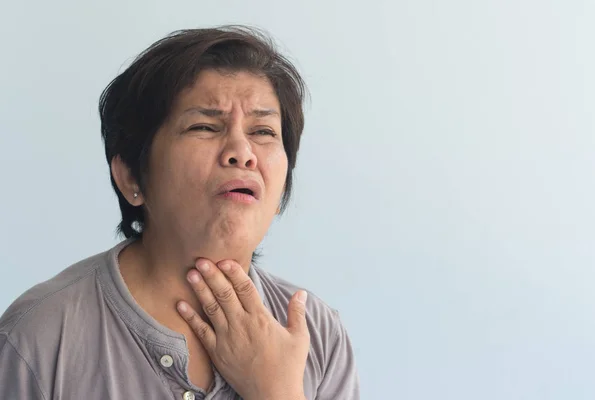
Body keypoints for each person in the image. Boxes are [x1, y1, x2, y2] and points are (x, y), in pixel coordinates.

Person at [0, 26, 359, 399]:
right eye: (204, 126)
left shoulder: (316, 334)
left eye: (264, 132)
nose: (242, 151)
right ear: (130, 177)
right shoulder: (38, 339)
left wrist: (276, 390)